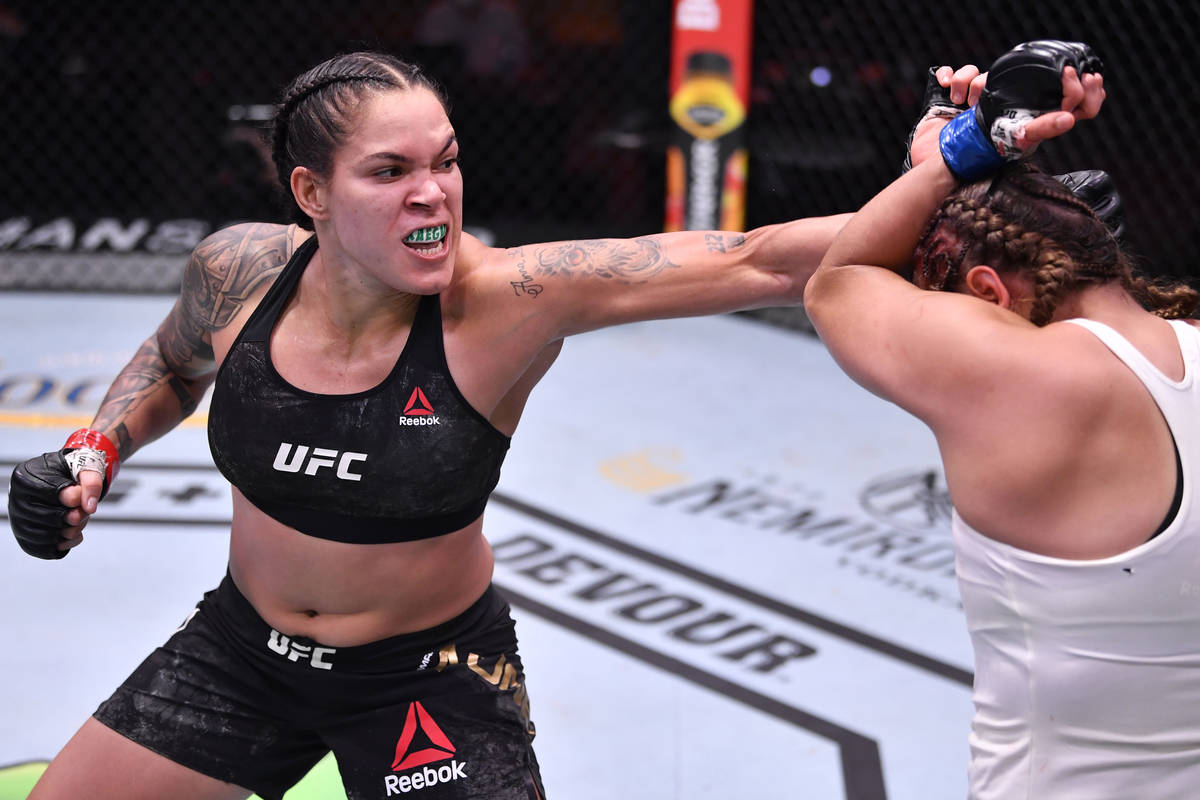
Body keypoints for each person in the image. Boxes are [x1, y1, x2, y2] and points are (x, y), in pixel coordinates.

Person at [7, 50, 851, 800]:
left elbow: (761, 258)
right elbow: (172, 361)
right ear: (312, 194)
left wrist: (957, 172)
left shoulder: (509, 301)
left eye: (446, 161)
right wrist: (95, 450)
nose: (433, 192)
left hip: (428, 678)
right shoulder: (241, 270)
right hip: (240, 653)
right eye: (389, 172)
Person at [804, 41, 1200, 798]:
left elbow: (841, 284)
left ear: (986, 291)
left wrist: (955, 155)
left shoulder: (1034, 382)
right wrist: (973, 159)